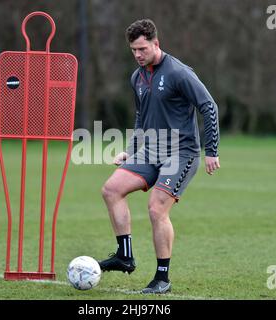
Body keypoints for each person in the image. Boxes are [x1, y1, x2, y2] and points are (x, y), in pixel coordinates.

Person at [98, 19, 220, 294]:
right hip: (151, 151)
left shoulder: (179, 72)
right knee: (111, 190)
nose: (138, 55)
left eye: (142, 48)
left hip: (182, 153)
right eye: (133, 50)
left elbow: (208, 106)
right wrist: (132, 148)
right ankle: (125, 256)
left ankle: (162, 277)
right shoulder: (137, 77)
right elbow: (141, 116)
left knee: (156, 208)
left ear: (156, 43)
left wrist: (212, 150)